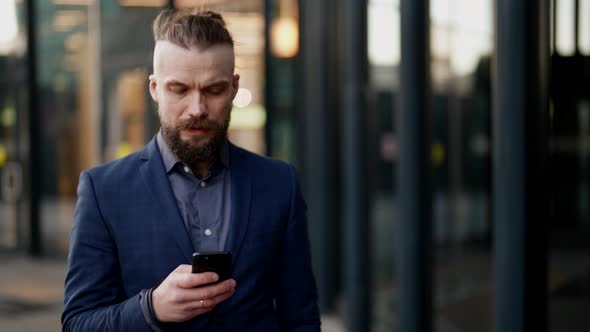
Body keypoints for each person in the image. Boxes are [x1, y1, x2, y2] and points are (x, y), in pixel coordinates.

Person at [62, 9, 320, 332]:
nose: (197, 109)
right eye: (179, 90)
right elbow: (77, 324)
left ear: (234, 88)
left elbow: (301, 319)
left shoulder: (280, 184)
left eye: (213, 90)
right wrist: (151, 308)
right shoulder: (103, 191)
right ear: (155, 89)